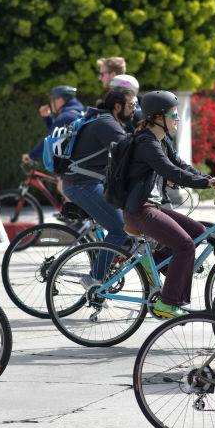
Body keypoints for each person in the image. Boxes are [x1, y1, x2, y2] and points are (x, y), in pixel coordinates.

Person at [122, 90, 215, 318]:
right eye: (174, 115)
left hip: (151, 206)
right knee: (185, 245)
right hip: (140, 209)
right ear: (158, 117)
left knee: (198, 231)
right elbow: (171, 172)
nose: (178, 119)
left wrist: (211, 179)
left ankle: (154, 265)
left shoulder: (162, 140)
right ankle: (167, 303)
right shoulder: (146, 143)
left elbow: (181, 166)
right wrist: (205, 183)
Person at [61, 89, 135, 286]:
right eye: (132, 105)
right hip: (82, 185)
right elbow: (130, 152)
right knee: (119, 229)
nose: (135, 110)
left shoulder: (103, 120)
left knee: (128, 220)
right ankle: (95, 278)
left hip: (88, 182)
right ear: (118, 106)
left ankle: (109, 261)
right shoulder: (106, 123)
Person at [23, 86, 85, 164]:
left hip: (77, 166)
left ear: (60, 99)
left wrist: (31, 156)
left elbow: (50, 141)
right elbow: (58, 133)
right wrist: (47, 118)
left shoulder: (67, 116)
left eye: (52, 99)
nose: (51, 103)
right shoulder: (79, 112)